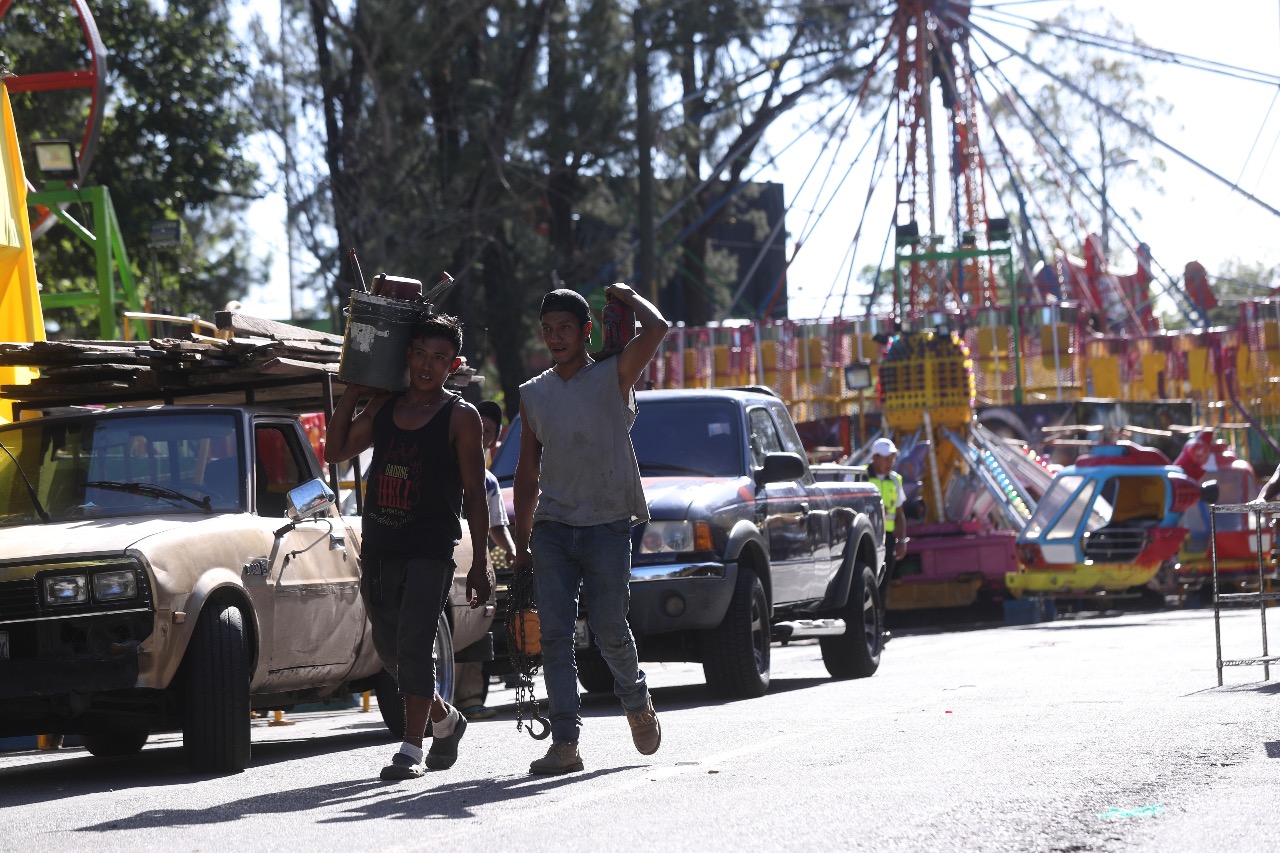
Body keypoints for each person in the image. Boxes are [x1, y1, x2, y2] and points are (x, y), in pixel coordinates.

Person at [324, 314, 493, 781]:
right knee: (391, 648)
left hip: (430, 548)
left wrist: (481, 563)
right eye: (420, 354)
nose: (427, 365)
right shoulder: (384, 409)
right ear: (407, 355)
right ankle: (444, 718)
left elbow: (476, 496)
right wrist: (354, 393)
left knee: (415, 644)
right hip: (381, 545)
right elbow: (334, 451)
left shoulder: (461, 416)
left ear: (452, 365)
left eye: (439, 359)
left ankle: (410, 749)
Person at [512, 284, 669, 775]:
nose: (556, 338)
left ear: (587, 332)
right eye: (548, 330)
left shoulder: (613, 375)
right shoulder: (532, 394)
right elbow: (526, 472)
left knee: (608, 627)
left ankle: (636, 702)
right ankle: (566, 743)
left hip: (606, 524)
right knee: (555, 636)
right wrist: (522, 545)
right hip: (554, 527)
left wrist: (629, 295)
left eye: (566, 329)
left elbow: (659, 329)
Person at [455, 400, 516, 721]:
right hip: (443, 561)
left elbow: (496, 527)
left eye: (487, 433)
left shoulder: (489, 481)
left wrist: (514, 552)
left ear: (495, 437)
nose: (480, 439)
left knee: (474, 629)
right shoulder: (445, 467)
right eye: (476, 430)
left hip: (474, 564)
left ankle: (469, 699)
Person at [868, 436, 907, 605]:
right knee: (867, 583)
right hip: (866, 539)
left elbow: (899, 514)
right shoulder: (859, 477)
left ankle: (879, 628)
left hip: (887, 538)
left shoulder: (895, 480)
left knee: (883, 585)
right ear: (874, 458)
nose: (890, 462)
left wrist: (902, 540)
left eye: (892, 458)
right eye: (886, 459)